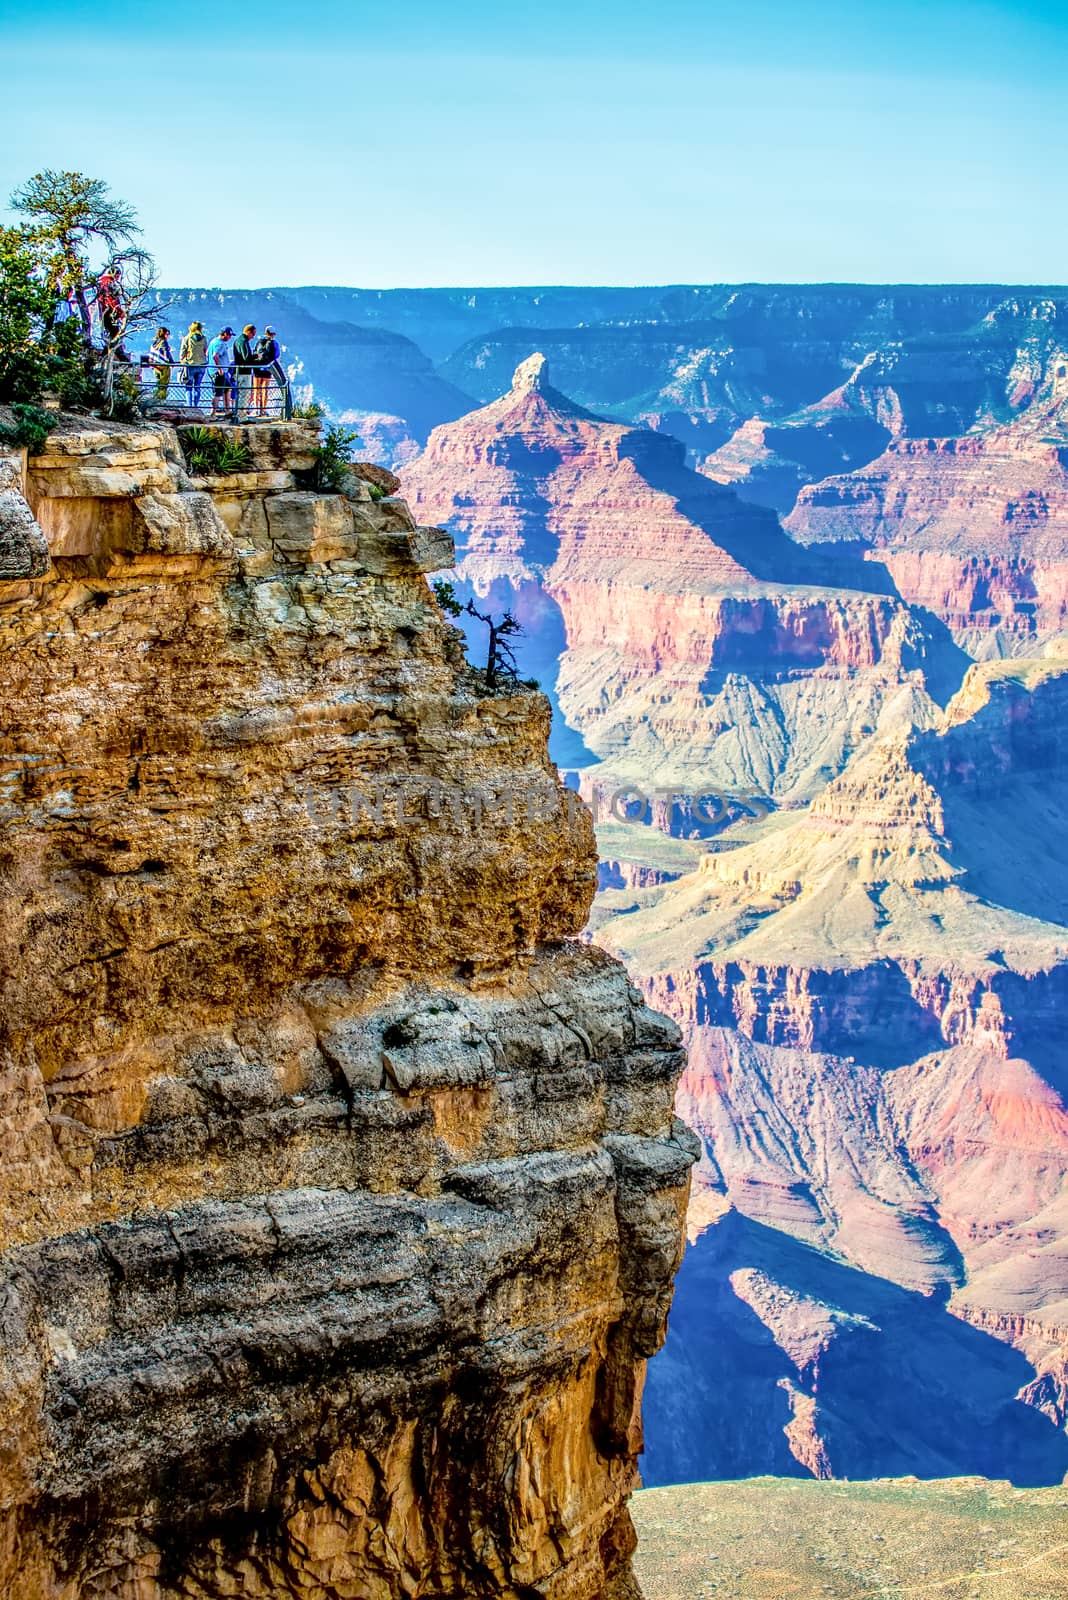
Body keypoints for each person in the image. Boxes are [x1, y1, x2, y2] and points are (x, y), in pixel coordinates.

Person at [206, 325, 235, 417]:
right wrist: (219, 368)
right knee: (218, 393)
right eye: (229, 335)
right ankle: (213, 413)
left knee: (228, 388)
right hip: (219, 372)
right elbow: (215, 356)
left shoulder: (213, 341)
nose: (230, 338)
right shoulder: (220, 343)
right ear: (225, 334)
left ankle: (227, 410)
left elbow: (207, 353)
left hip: (218, 371)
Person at [253, 326, 282, 416]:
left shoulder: (259, 342)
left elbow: (254, 352)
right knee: (264, 389)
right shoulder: (275, 343)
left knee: (256, 389)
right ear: (273, 334)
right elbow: (277, 355)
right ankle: (263, 409)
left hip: (257, 367)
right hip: (268, 368)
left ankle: (255, 409)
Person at [180, 321, 209, 409]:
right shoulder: (204, 338)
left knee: (188, 387)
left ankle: (189, 407)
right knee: (197, 387)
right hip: (201, 365)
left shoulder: (187, 338)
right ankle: (196, 407)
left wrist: (183, 361)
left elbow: (182, 353)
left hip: (190, 365)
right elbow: (205, 351)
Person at [232, 324, 257, 422]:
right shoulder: (243, 341)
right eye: (253, 334)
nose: (253, 336)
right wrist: (255, 356)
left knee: (240, 393)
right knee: (245, 393)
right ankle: (241, 416)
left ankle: (239, 414)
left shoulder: (238, 341)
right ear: (248, 332)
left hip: (239, 371)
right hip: (244, 372)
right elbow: (246, 357)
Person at [149, 326, 174, 402]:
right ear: (165, 334)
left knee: (158, 382)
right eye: (167, 334)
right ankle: (162, 400)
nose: (168, 336)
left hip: (155, 365)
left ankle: (157, 399)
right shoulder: (163, 342)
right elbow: (166, 354)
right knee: (164, 384)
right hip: (163, 365)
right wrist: (171, 362)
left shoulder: (154, 342)